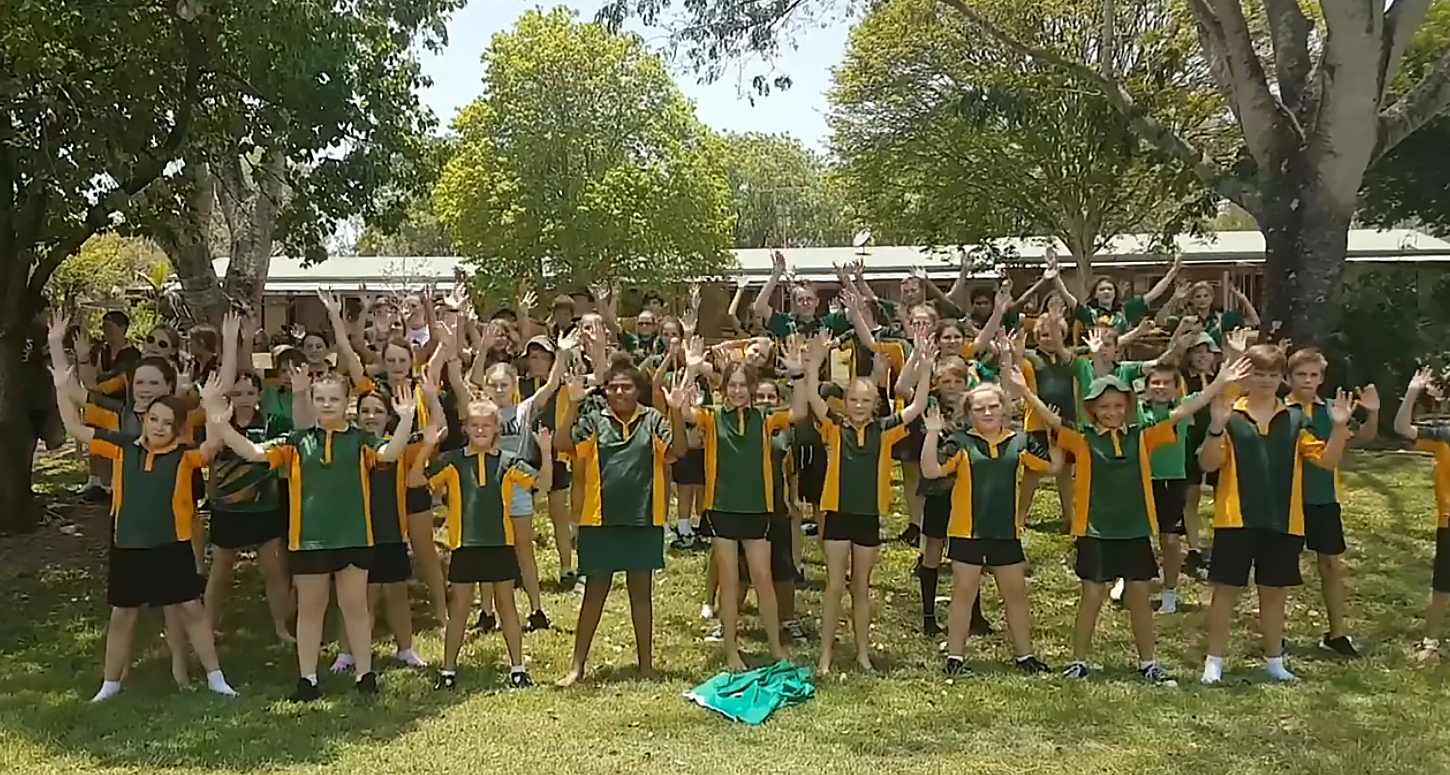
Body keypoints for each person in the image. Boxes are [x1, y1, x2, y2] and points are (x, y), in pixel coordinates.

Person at [204, 371, 418, 701]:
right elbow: (254, 453)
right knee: (310, 609)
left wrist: (405, 420)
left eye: (334, 399)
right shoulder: (296, 441)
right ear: (312, 402)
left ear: (347, 402)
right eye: (321, 399)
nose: (327, 405)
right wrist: (220, 424)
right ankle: (308, 679)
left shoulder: (361, 440)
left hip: (354, 538)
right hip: (308, 541)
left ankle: (365, 675)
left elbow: (390, 454)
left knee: (356, 608)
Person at [1030, 359, 1245, 683]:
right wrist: (1022, 390)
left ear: (1129, 406)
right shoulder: (1082, 438)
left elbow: (1184, 411)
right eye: (1104, 406)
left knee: (1140, 598)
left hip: (1135, 530)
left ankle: (1148, 662)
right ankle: (1078, 661)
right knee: (1091, 596)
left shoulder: (1143, 436)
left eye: (1118, 405)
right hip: (1095, 531)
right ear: (1092, 409)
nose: (1112, 412)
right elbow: (1051, 419)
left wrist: (1219, 383)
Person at [51, 368, 237, 702]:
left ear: (178, 427)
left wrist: (210, 406)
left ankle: (215, 677)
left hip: (173, 545)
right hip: (129, 545)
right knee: (122, 614)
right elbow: (75, 428)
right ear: (145, 419)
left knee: (192, 610)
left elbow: (212, 445)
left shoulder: (184, 456)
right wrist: (61, 387)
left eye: (168, 422)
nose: (160, 427)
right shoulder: (123, 448)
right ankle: (110, 684)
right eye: (155, 419)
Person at [1197, 344, 1354, 685]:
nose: (1266, 381)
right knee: (1225, 593)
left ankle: (1274, 662)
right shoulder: (1231, 414)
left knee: (1274, 594)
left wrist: (1340, 428)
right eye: (1259, 373)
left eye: (1272, 374)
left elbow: (1326, 462)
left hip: (1284, 520)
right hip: (1235, 519)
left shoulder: (1297, 418)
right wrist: (1215, 428)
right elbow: (1208, 463)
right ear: (1247, 376)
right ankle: (1214, 662)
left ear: (1281, 378)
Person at [793, 330, 933, 674]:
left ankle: (862, 654)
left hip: (868, 516)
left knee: (861, 587)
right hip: (837, 514)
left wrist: (926, 369)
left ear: (875, 405)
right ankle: (824, 656)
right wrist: (814, 363)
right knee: (834, 585)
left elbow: (916, 408)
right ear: (846, 402)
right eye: (853, 400)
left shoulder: (885, 429)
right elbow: (812, 396)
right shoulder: (835, 426)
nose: (858, 406)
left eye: (865, 401)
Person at [554, 355, 688, 687]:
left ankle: (646, 666)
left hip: (644, 520)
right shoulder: (593, 421)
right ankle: (577, 666)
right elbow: (561, 444)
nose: (619, 393)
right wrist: (572, 404)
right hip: (598, 521)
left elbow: (678, 451)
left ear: (638, 391)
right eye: (613, 388)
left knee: (640, 594)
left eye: (626, 387)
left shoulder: (654, 420)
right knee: (594, 593)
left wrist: (676, 411)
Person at [921, 379, 1061, 675]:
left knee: (1015, 596)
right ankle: (955, 658)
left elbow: (1053, 467)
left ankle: (1025, 657)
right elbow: (930, 470)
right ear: (969, 413)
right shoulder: (959, 442)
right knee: (964, 594)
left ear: (1004, 409)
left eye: (993, 406)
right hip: (966, 532)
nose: (987, 412)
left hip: (1006, 533)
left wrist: (1054, 434)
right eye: (980, 408)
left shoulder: (1019, 441)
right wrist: (932, 434)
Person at [411, 400, 554, 690]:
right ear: (465, 429)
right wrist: (427, 446)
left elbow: (544, 485)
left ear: (496, 429)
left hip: (500, 544)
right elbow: (414, 479)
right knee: (460, 608)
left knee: (506, 605)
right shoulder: (452, 461)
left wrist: (547, 453)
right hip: (464, 546)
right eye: (474, 425)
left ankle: (517, 668)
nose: (479, 429)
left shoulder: (509, 461)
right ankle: (448, 670)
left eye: (486, 425)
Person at [689, 354, 792, 671]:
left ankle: (776, 648)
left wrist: (804, 373)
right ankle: (732, 650)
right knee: (730, 581)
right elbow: (683, 411)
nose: (737, 392)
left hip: (758, 510)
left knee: (763, 578)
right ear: (724, 389)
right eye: (731, 386)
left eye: (742, 386)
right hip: (721, 509)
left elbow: (800, 411)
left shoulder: (766, 418)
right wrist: (693, 368)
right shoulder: (712, 415)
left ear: (751, 388)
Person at [204, 314, 294, 644]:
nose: (242, 396)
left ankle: (282, 629)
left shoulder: (273, 423)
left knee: (274, 571)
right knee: (220, 572)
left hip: (266, 507)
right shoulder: (218, 422)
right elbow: (223, 385)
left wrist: (247, 341)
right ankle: (208, 626)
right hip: (227, 509)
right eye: (237, 392)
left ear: (258, 394)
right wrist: (232, 342)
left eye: (248, 391)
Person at [1283, 347, 1379, 657]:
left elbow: (1362, 439)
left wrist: (1373, 413)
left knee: (1331, 565)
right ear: (1289, 377)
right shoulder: (1279, 409)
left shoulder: (1331, 410)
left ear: (1322, 378)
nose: (1307, 380)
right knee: (1281, 568)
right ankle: (1277, 634)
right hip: (1287, 500)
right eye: (1301, 374)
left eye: (1314, 375)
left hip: (1323, 499)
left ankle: (1337, 634)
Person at [330, 387, 433, 673]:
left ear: (389, 416)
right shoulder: (350, 446)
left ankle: (406, 649)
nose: (371, 416)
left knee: (397, 592)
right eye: (365, 411)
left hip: (392, 532)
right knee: (357, 599)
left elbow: (436, 432)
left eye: (378, 411)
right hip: (357, 534)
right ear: (356, 415)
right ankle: (346, 653)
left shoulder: (398, 447)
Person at [1130, 361, 1198, 614]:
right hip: (1140, 480)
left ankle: (1169, 592)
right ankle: (1128, 581)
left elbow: (1216, 391)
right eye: (1155, 382)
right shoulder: (1134, 410)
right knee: (1135, 538)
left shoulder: (1182, 409)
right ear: (1146, 386)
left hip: (1172, 480)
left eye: (1166, 382)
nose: (1160, 387)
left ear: (1176, 387)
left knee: (1169, 540)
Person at [1394, 367, 1450, 663]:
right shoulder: (1444, 436)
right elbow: (1402, 428)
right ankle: (1431, 639)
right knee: (1443, 584)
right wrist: (1413, 391)